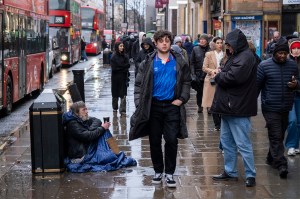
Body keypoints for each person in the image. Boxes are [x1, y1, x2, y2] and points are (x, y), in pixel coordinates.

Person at [129, 30, 191, 188]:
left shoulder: (179, 61)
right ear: (155, 43)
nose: (164, 43)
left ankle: (169, 173)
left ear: (170, 43)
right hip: (153, 106)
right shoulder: (148, 62)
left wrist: (182, 99)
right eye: (161, 41)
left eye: (167, 41)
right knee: (154, 141)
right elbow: (138, 85)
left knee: (171, 140)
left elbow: (186, 81)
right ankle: (158, 171)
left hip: (172, 106)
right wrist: (139, 103)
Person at [210, 29, 257, 187]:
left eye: (229, 45)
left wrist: (218, 76)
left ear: (236, 44)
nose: (227, 48)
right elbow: (229, 73)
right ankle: (230, 172)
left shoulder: (246, 57)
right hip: (229, 106)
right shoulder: (236, 55)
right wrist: (222, 72)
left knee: (243, 143)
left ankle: (250, 174)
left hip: (238, 107)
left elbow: (233, 77)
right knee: (227, 142)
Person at [257, 38, 299, 178]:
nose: (282, 56)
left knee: (279, 134)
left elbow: (298, 81)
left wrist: (296, 84)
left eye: (284, 53)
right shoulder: (264, 66)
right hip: (270, 107)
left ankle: (271, 157)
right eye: (280, 53)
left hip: (286, 106)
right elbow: (256, 86)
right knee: (275, 135)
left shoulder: (292, 65)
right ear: (274, 53)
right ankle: (281, 164)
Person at [63, 101, 137, 172]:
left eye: (86, 109)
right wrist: (102, 128)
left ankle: (116, 151)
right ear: (77, 112)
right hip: (81, 156)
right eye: (84, 110)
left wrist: (91, 129)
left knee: (104, 131)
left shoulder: (80, 118)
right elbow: (87, 136)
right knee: (104, 132)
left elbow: (97, 120)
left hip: (86, 148)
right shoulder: (73, 124)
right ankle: (116, 152)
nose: (86, 111)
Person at [202, 37, 224, 131]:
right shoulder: (209, 54)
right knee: (213, 103)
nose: (220, 44)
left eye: (221, 43)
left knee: (222, 102)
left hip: (223, 80)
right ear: (214, 44)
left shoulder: (226, 54)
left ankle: (223, 123)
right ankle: (217, 125)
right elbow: (204, 67)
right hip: (212, 80)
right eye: (218, 43)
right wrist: (213, 71)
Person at [284, 39, 300, 156]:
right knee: (292, 121)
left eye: (298, 48)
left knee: (298, 122)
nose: (296, 50)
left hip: (299, 94)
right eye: (294, 48)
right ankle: (291, 145)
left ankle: (296, 145)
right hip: (289, 95)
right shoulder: (286, 61)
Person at [190, 34, 210, 113]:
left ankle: (209, 106)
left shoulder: (210, 50)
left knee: (208, 91)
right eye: (200, 39)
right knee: (199, 91)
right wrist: (193, 74)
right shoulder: (195, 49)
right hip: (198, 73)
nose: (201, 41)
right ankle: (200, 105)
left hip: (207, 73)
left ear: (206, 41)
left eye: (203, 39)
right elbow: (192, 62)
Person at [110, 42, 130, 116]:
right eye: (120, 46)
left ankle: (123, 111)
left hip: (123, 78)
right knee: (115, 94)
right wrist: (123, 67)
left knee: (123, 94)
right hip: (115, 79)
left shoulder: (125, 56)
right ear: (117, 47)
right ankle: (115, 108)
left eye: (122, 46)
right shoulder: (113, 57)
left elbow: (128, 65)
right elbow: (114, 68)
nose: (122, 47)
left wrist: (121, 67)